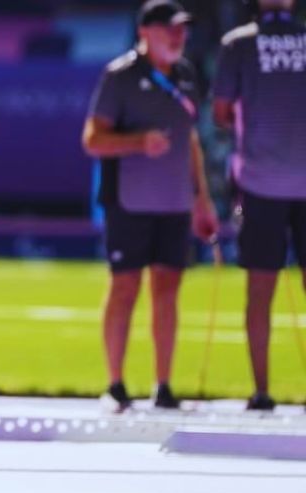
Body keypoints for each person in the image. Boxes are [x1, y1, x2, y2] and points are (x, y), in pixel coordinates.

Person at [82, 0, 219, 412]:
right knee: (124, 287)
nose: (179, 37)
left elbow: (190, 139)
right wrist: (139, 142)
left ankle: (163, 386)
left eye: (182, 30)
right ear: (146, 32)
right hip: (128, 200)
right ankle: (116, 384)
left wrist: (202, 199)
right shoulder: (120, 76)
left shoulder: (187, 75)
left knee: (168, 290)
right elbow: (92, 140)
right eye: (170, 29)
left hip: (175, 201)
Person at [213, 0, 306, 411]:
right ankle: (263, 390)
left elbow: (219, 112)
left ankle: (262, 391)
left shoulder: (238, 44)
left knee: (260, 291)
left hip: (260, 182)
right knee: (261, 292)